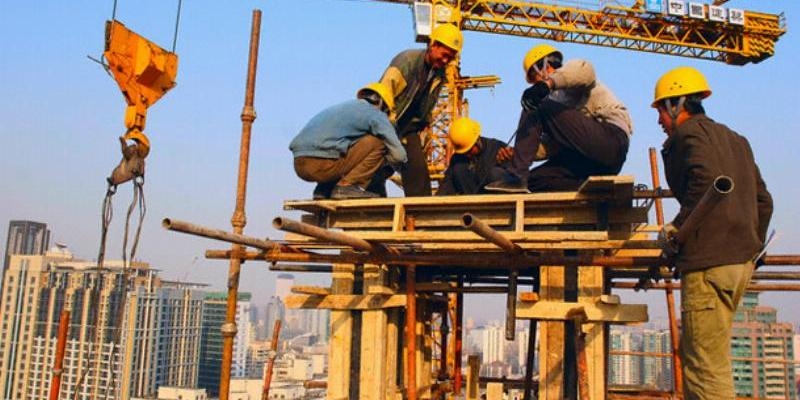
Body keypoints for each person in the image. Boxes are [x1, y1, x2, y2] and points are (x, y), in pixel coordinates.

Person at [653, 66, 773, 399]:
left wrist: (679, 229)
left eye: (661, 110)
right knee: (711, 357)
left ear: (677, 104)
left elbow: (705, 182)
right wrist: (752, 248)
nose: (660, 120)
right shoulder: (736, 139)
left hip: (709, 265)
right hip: (739, 265)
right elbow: (764, 201)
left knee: (704, 367)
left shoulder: (689, 136)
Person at [485, 43, 633, 193]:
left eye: (534, 77)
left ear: (546, 66)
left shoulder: (571, 76)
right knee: (533, 182)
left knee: (536, 105)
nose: (536, 84)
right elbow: (550, 147)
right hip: (588, 160)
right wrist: (517, 153)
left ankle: (517, 175)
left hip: (610, 142)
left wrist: (547, 84)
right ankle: (596, 192)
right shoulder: (557, 107)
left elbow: (586, 69)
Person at [368, 23, 464, 197]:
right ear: (433, 45)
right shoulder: (406, 61)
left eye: (449, 58)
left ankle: (420, 214)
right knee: (374, 164)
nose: (445, 61)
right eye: (444, 55)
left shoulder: (439, 74)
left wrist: (423, 126)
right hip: (386, 122)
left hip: (408, 128)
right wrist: (381, 127)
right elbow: (383, 93)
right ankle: (373, 198)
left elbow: (426, 106)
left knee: (417, 170)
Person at [289, 82, 407, 200]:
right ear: (382, 103)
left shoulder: (344, 108)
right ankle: (346, 186)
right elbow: (399, 156)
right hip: (321, 164)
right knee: (380, 142)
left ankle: (323, 189)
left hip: (299, 164)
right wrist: (390, 165)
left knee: (343, 144)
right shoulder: (375, 114)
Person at [437, 117, 513, 195]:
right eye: (464, 152)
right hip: (470, 205)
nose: (467, 155)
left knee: (495, 173)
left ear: (477, 140)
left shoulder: (497, 148)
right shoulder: (457, 161)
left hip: (497, 204)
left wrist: (508, 162)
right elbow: (446, 187)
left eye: (469, 150)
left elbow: (519, 175)